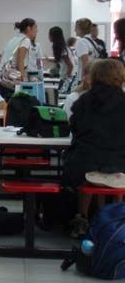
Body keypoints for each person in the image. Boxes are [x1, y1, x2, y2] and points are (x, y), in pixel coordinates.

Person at [63, 59, 125, 238]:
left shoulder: (84, 101)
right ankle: (115, 218)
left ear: (95, 77)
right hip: (120, 166)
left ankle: (81, 217)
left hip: (86, 165)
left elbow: (74, 128)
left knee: (86, 168)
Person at [0, 18, 38, 84]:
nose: (37, 30)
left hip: (2, 75)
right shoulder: (26, 40)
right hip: (12, 77)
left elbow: (3, 54)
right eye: (35, 27)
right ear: (28, 28)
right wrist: (24, 79)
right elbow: (20, 61)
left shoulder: (13, 39)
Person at [75, 18, 101, 84]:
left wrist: (84, 80)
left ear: (81, 29)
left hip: (85, 77)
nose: (74, 30)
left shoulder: (81, 42)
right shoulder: (92, 42)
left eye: (76, 27)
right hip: (93, 75)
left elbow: (85, 62)